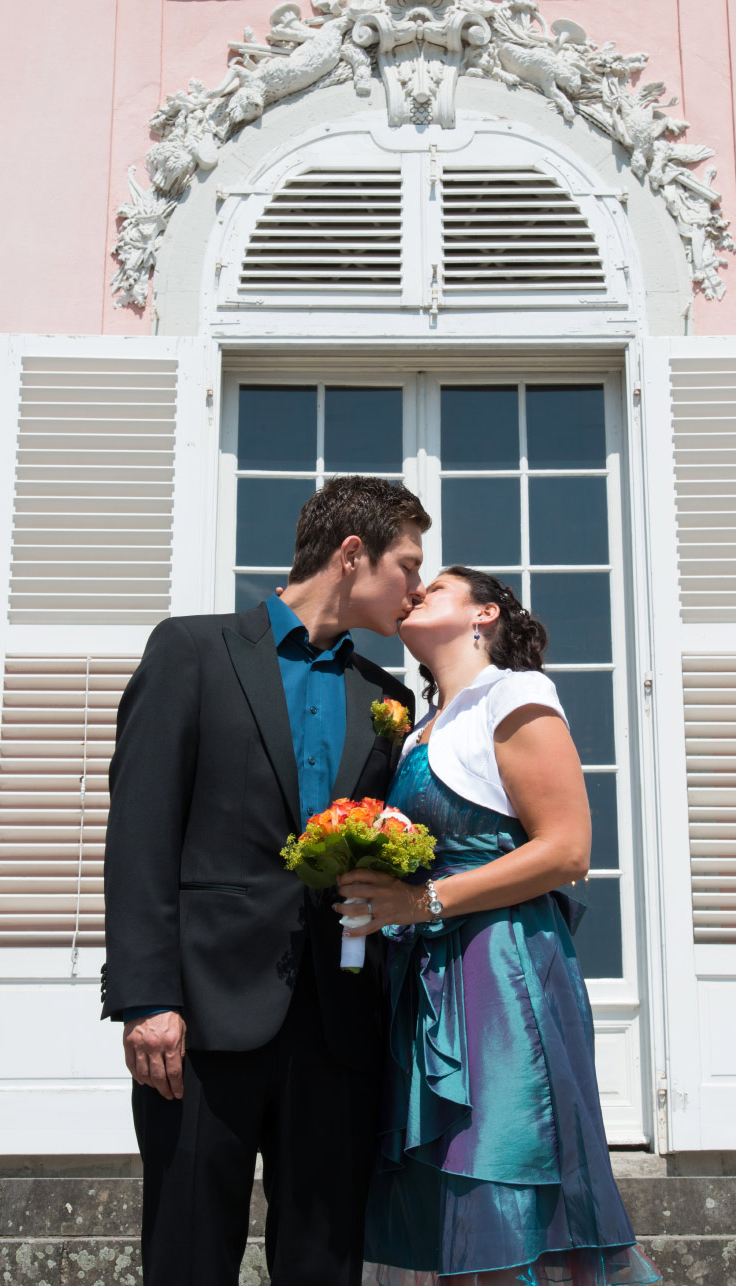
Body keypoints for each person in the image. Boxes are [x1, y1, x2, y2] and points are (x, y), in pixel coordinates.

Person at [100, 475, 431, 1286]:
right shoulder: (191, 651)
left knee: (323, 1264)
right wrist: (147, 997)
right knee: (187, 1254)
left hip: (338, 1020)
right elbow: (140, 828)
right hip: (200, 1017)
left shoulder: (385, 697)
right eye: (409, 565)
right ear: (353, 555)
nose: (418, 591)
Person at [336, 566, 663, 1286]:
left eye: (439, 586)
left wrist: (422, 903)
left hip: (502, 974)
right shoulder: (418, 727)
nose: (417, 590)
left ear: (485, 614)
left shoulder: (512, 695)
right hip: (426, 981)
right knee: (451, 1199)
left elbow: (567, 849)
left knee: (503, 1173)